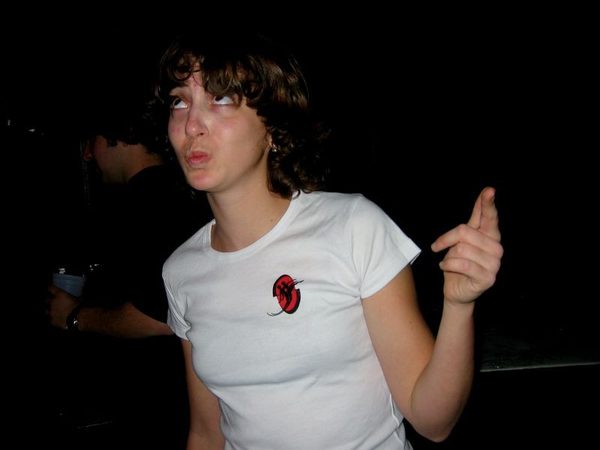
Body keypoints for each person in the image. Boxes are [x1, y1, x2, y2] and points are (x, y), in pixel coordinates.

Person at [157, 32, 503, 449]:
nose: (192, 125)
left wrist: (459, 306)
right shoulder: (182, 271)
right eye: (180, 101)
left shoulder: (352, 227)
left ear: (271, 128)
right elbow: (206, 432)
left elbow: (433, 421)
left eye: (222, 98)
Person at [45, 91, 211, 449]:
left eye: (92, 141)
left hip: (161, 406)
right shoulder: (173, 192)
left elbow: (161, 317)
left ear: (117, 137)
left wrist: (74, 316)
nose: (89, 155)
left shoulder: (148, 201)